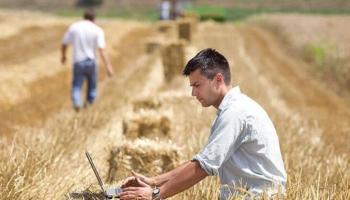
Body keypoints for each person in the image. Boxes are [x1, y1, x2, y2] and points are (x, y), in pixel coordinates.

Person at [119, 48, 287, 199]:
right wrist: (154, 181)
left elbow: (203, 167)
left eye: (197, 85)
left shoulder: (235, 113)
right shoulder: (234, 108)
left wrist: (156, 195)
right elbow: (202, 160)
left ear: (218, 80)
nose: (193, 93)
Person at [61, 8, 114, 111]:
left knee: (77, 85)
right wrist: (108, 66)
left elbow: (64, 43)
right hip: (91, 61)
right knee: (92, 86)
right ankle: (89, 106)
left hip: (78, 61)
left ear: (84, 17)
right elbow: (102, 50)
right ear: (94, 19)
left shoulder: (74, 27)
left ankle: (77, 102)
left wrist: (63, 56)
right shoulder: (97, 29)